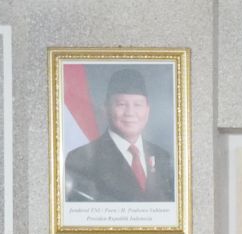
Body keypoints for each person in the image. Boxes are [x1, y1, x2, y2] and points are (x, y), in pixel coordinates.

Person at [63, 67, 176, 203]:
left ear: (147, 110)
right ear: (106, 109)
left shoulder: (162, 156)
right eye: (121, 104)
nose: (130, 113)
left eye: (138, 105)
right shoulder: (81, 158)